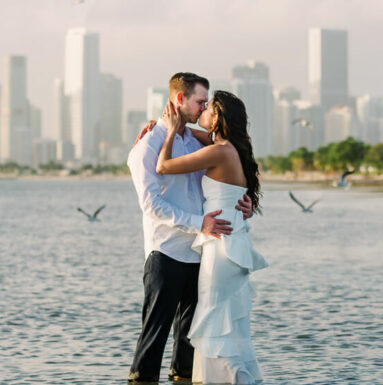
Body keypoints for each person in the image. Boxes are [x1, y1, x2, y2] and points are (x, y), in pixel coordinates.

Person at [126, 72, 254, 383]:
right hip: (166, 252)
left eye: (206, 103)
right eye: (199, 102)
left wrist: (243, 203)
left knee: (188, 349)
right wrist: (202, 223)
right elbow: (152, 206)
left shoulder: (192, 140)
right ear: (180, 99)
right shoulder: (147, 146)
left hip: (200, 255)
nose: (203, 108)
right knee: (152, 342)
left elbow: (227, 166)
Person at [156, 90, 267, 384]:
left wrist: (166, 136)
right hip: (230, 243)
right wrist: (161, 123)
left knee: (215, 316)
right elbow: (190, 129)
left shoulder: (220, 152)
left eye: (207, 108)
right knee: (224, 320)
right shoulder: (228, 147)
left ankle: (226, 379)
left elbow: (163, 166)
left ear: (217, 117)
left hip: (222, 248)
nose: (201, 110)